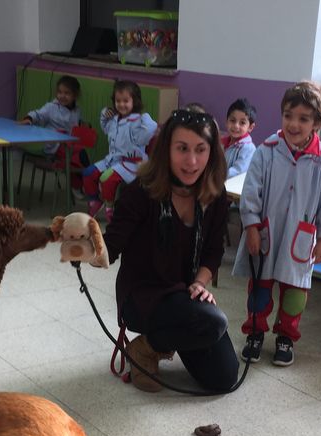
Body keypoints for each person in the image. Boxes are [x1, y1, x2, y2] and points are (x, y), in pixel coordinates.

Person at [99, 108, 238, 393]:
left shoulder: (215, 193)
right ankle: (145, 349)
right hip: (142, 296)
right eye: (182, 149)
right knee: (213, 323)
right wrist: (83, 244)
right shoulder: (141, 191)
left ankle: (157, 342)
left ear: (212, 152)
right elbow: (109, 247)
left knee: (223, 378)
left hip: (183, 295)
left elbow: (214, 250)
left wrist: (200, 283)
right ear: (166, 150)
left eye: (201, 149)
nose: (192, 161)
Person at [231, 81, 321, 367]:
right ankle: (255, 332)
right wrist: (251, 227)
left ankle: (286, 338)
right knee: (260, 290)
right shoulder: (266, 151)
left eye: (303, 119)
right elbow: (251, 192)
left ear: (317, 122)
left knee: (294, 295)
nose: (293, 124)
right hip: (266, 232)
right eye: (288, 115)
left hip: (301, 238)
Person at [82, 80, 157, 223]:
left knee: (106, 178)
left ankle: (110, 209)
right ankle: (95, 202)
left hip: (132, 164)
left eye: (125, 101)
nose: (121, 104)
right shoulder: (115, 119)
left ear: (134, 101)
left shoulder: (138, 122)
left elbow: (148, 132)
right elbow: (105, 127)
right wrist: (105, 114)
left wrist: (146, 118)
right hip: (112, 160)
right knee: (88, 173)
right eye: (118, 101)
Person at [19, 75, 88, 187]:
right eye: (60, 92)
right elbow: (38, 114)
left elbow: (78, 123)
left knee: (77, 157)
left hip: (69, 145)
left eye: (67, 93)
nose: (62, 96)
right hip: (54, 146)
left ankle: (81, 184)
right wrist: (29, 118)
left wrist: (84, 125)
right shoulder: (51, 107)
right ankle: (78, 185)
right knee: (77, 154)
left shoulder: (77, 110)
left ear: (75, 95)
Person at [222, 97, 257, 178]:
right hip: (218, 184)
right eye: (232, 120)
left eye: (242, 122)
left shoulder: (248, 148)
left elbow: (238, 171)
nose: (236, 126)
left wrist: (215, 177)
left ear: (250, 127)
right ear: (226, 122)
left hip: (231, 188)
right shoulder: (221, 142)